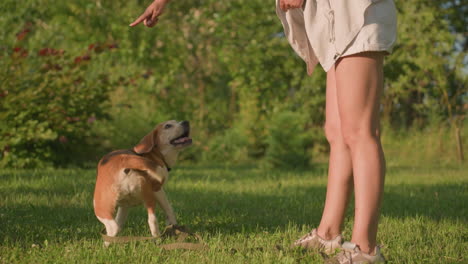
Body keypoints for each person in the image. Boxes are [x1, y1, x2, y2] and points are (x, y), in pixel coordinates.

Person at [130, 0, 397, 263]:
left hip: (356, 12)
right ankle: (328, 234)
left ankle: (365, 249)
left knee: (360, 133)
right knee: (337, 133)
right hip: (333, 19)